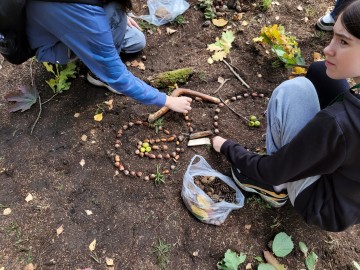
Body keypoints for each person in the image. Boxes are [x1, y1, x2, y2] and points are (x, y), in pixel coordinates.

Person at [213, 0, 360, 232]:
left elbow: (274, 167)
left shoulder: (337, 122)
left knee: (292, 92)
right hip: (351, 196)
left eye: (343, 42)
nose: (327, 49)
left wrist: (227, 147)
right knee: (320, 71)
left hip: (326, 206)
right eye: (333, 37)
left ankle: (277, 188)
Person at [25, 0, 192, 113]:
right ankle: (97, 75)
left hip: (58, 23)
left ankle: (93, 43)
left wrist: (119, 14)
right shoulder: (90, 20)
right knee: (114, 35)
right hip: (51, 45)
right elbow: (117, 76)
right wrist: (166, 100)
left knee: (136, 40)